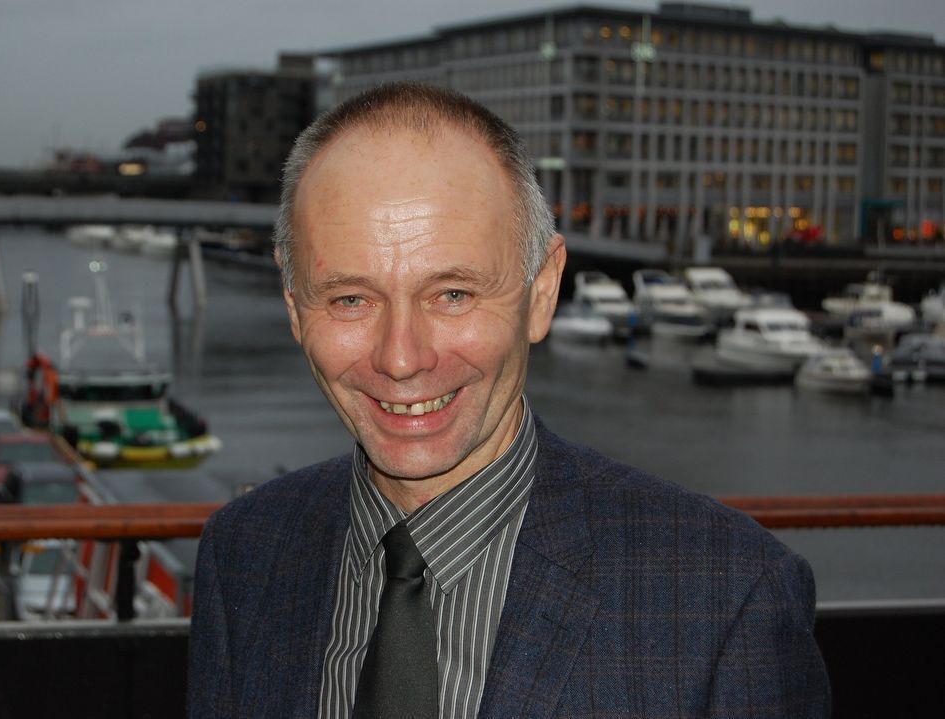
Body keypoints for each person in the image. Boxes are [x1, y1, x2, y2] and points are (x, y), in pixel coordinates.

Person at [188, 82, 829, 718]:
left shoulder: (725, 601)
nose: (401, 358)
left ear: (542, 292)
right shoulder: (243, 553)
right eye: (350, 299)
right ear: (295, 307)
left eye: (453, 295)